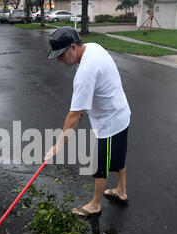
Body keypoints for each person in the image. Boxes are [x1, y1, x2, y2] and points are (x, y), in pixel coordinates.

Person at [44, 26, 131, 217]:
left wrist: (58, 146)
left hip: (110, 121)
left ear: (73, 47)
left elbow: (74, 116)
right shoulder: (92, 47)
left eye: (61, 54)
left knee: (101, 164)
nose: (59, 59)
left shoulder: (85, 71)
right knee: (118, 156)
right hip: (120, 111)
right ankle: (121, 191)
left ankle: (95, 205)